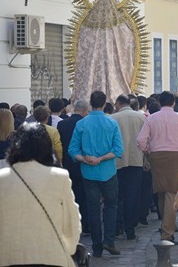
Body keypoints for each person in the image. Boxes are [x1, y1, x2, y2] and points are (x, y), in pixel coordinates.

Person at [0, 122, 81, 267]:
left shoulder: (2, 179)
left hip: (8, 257)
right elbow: (71, 221)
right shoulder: (59, 177)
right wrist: (68, 248)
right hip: (50, 256)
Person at [69, 90, 124, 258]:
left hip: (88, 172)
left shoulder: (82, 124)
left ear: (90, 103)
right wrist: (101, 159)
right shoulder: (112, 122)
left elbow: (73, 150)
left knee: (93, 209)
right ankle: (109, 239)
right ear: (105, 102)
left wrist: (87, 160)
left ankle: (97, 246)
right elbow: (118, 150)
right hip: (108, 171)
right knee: (111, 205)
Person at [137, 90, 178, 244]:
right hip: (176, 156)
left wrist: (148, 153)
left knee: (162, 192)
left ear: (160, 102)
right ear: (174, 102)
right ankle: (167, 233)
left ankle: (166, 226)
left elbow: (141, 140)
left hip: (156, 156)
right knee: (171, 193)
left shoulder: (151, 118)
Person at [111, 94, 145, 239]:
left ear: (118, 103)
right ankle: (130, 228)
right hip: (136, 160)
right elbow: (146, 140)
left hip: (118, 161)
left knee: (118, 196)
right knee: (133, 195)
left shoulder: (113, 118)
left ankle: (118, 226)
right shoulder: (140, 117)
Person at [57, 99, 90, 235]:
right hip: (83, 163)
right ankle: (85, 224)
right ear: (83, 111)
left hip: (67, 164)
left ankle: (72, 223)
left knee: (72, 195)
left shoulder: (62, 124)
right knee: (85, 196)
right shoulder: (85, 124)